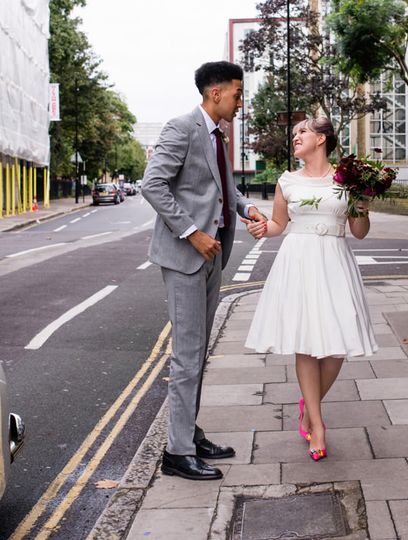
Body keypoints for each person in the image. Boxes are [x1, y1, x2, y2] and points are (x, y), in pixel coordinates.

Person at [142, 61, 265, 481]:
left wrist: (246, 209)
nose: (240, 101)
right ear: (215, 93)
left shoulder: (217, 135)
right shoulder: (181, 128)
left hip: (213, 256)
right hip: (186, 257)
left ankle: (187, 434)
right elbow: (152, 185)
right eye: (236, 93)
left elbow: (220, 189)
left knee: (197, 353)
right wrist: (193, 233)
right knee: (187, 355)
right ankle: (176, 453)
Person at [243, 117, 377, 461]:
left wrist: (361, 204)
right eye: (293, 134)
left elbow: (359, 231)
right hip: (298, 260)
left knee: (336, 348)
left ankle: (308, 407)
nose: (295, 138)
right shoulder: (287, 181)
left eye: (301, 132)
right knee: (305, 342)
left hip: (334, 259)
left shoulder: (346, 179)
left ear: (322, 138)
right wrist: (261, 228)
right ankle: (317, 425)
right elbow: (278, 225)